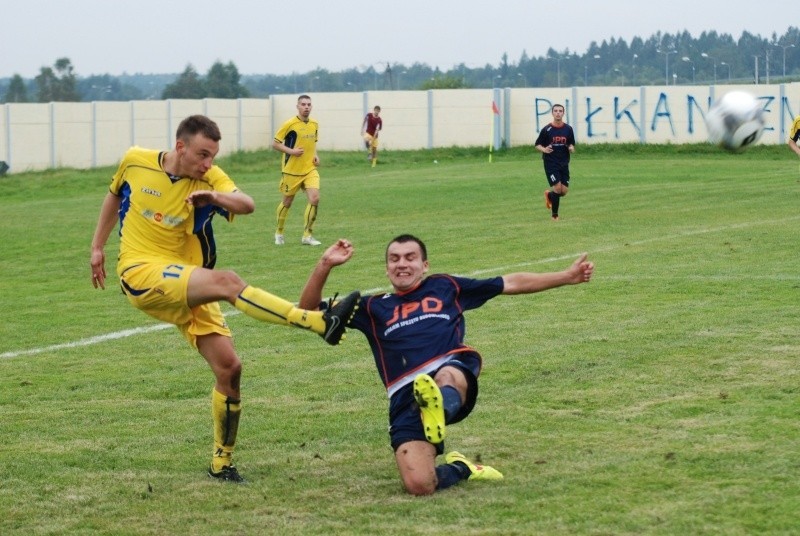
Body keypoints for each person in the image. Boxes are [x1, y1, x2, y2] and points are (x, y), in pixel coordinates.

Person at [90, 114, 359, 484]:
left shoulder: (209, 178)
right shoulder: (135, 159)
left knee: (230, 369)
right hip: (139, 272)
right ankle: (316, 322)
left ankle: (222, 462)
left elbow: (245, 204)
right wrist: (97, 248)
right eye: (202, 154)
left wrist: (215, 195)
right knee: (228, 281)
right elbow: (113, 193)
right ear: (180, 146)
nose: (208, 164)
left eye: (213, 156)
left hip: (187, 282)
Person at [299, 234, 594, 496]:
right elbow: (307, 313)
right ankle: (462, 467)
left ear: (424, 265)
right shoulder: (371, 307)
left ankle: (439, 407)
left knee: (447, 375)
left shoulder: (446, 286)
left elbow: (509, 282)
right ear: (387, 267)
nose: (402, 264)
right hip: (405, 394)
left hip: (450, 366)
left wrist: (566, 276)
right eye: (394, 259)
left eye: (410, 258)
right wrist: (325, 264)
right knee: (419, 485)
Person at [272, 94, 323, 246]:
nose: (306, 107)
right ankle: (279, 232)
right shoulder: (289, 124)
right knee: (287, 202)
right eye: (303, 104)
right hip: (291, 171)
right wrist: (291, 151)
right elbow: (275, 144)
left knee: (315, 199)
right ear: (298, 106)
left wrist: (316, 156)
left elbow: (312, 145)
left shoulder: (314, 124)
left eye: (308, 104)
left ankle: (307, 236)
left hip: (309, 170)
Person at [535, 103, 576, 221]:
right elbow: (537, 144)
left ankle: (549, 195)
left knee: (563, 192)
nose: (558, 113)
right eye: (556, 111)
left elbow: (571, 143)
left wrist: (571, 148)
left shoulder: (568, 129)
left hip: (564, 162)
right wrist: (544, 149)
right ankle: (555, 215)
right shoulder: (547, 129)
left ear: (563, 113)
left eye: (560, 111)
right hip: (550, 162)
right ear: (552, 113)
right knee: (557, 189)